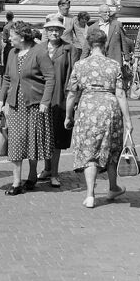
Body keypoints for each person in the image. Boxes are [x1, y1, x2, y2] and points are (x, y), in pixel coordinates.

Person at [65, 27, 132, 208]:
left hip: (87, 108)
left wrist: (68, 116)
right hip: (110, 108)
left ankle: (90, 195)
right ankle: (113, 187)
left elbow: (71, 94)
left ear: (88, 43)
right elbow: (120, 94)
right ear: (105, 44)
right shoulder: (113, 65)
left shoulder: (80, 65)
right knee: (111, 148)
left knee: (89, 151)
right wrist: (128, 119)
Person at [0, 21, 56, 195]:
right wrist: (1, 100)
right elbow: (7, 78)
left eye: (12, 36)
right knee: (16, 142)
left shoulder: (39, 52)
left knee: (32, 141)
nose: (9, 39)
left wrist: (45, 102)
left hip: (35, 104)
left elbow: (50, 78)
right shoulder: (12, 53)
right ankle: (16, 182)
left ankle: (32, 175)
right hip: (15, 104)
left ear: (22, 37)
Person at [41, 15, 77, 187]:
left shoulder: (69, 49)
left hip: (60, 97)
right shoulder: (39, 48)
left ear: (62, 31)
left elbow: (73, 75)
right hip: (41, 96)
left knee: (56, 136)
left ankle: (54, 173)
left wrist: (72, 99)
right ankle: (46, 168)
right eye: (51, 30)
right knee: (43, 135)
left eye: (57, 30)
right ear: (46, 31)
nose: (54, 33)